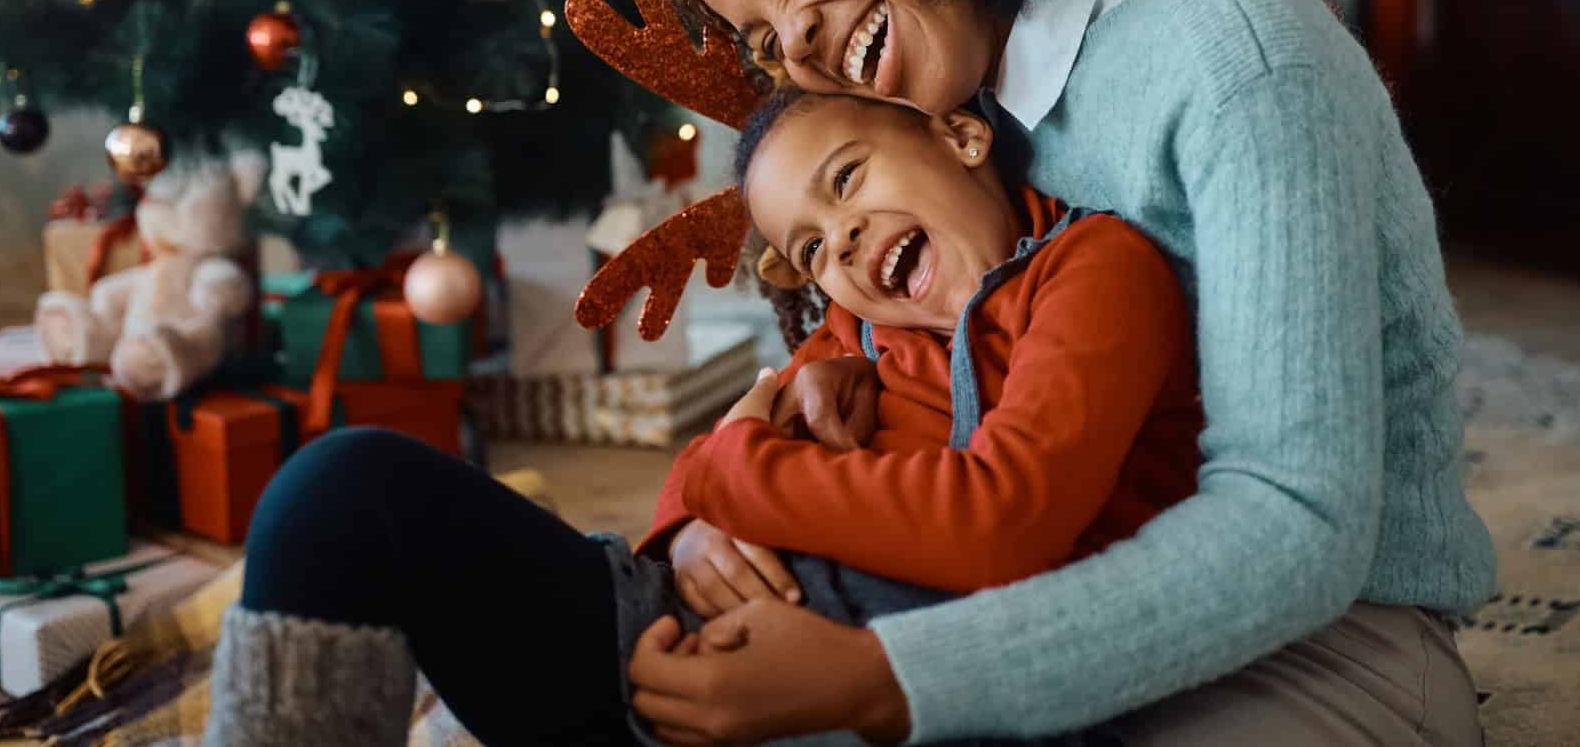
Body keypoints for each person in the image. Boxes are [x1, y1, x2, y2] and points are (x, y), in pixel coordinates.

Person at [612, 0, 1496, 746]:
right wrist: (702, 524)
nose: (792, 45)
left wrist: (886, 678)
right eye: (761, 38)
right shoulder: (942, 108)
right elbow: (819, 385)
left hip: (1325, 640)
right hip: (1027, 590)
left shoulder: (1234, 55)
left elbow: (1296, 526)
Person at [204, 85, 1203, 747]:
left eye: (848, 178)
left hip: (889, 694)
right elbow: (714, 463)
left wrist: (730, 468)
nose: (842, 244)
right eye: (810, 251)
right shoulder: (860, 319)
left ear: (959, 132)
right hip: (664, 648)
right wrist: (689, 521)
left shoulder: (1090, 267)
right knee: (341, 487)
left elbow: (1002, 521)